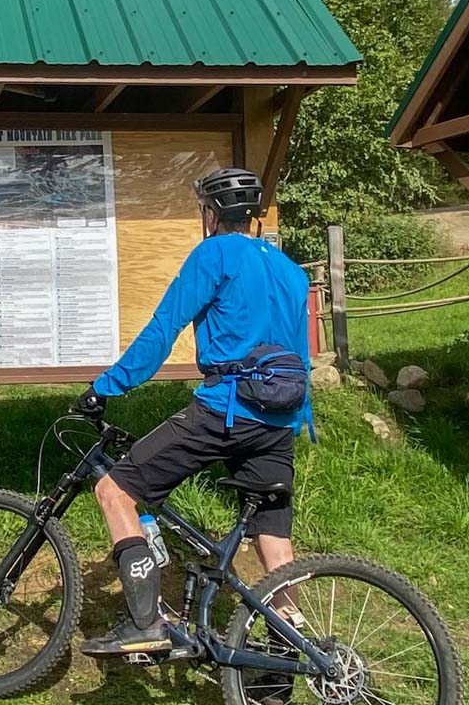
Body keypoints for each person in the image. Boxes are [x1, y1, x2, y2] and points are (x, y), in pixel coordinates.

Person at [75, 168, 313, 664]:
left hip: (228, 410)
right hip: (281, 419)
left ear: (210, 212)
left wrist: (105, 387)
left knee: (114, 489)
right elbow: (298, 352)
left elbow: (166, 326)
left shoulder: (213, 254)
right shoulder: (291, 270)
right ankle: (284, 665)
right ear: (252, 215)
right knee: (276, 547)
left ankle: (145, 624)